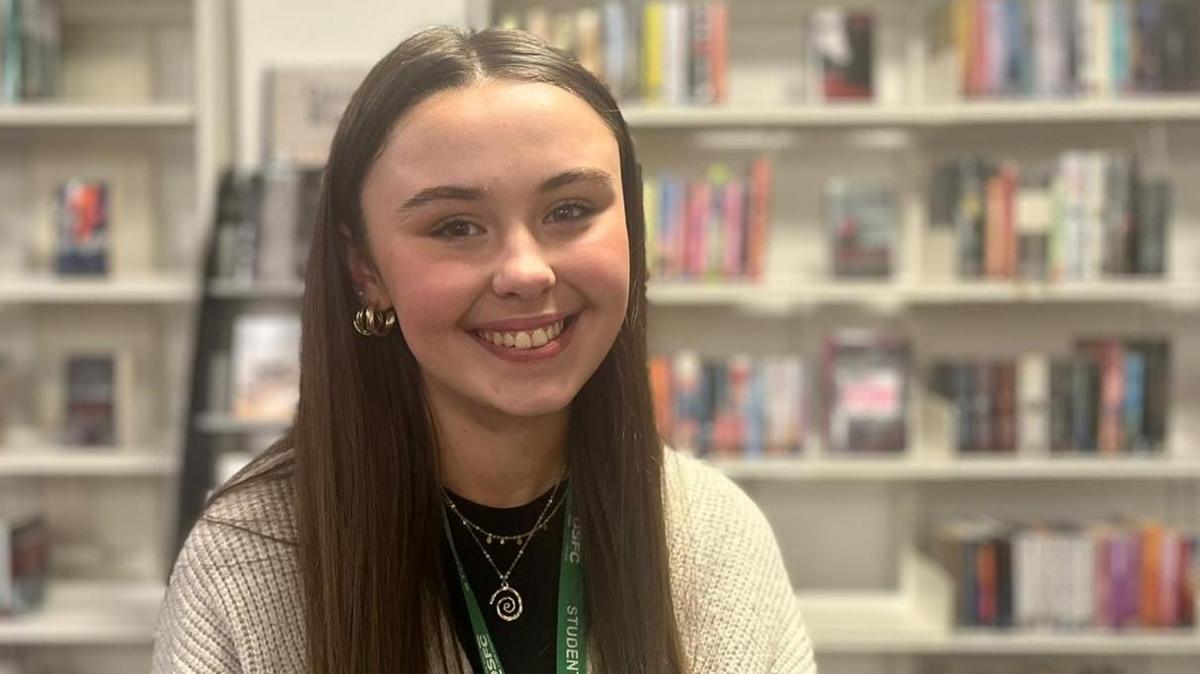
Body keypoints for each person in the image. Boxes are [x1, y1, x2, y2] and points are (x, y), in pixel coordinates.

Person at [153, 26, 816, 674]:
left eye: (569, 210)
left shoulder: (719, 539)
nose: (527, 273)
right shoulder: (244, 565)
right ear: (367, 271)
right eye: (456, 226)